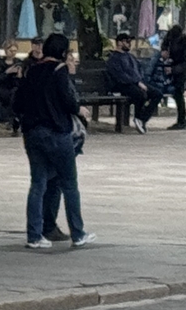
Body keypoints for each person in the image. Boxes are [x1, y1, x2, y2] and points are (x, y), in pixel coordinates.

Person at [15, 32, 91, 249]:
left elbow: (17, 102)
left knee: (37, 183)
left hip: (32, 132)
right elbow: (68, 100)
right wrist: (79, 109)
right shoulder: (59, 71)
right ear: (63, 52)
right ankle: (78, 233)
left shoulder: (31, 70)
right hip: (57, 132)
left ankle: (34, 236)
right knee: (69, 184)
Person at [103, 31, 158, 130]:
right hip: (123, 85)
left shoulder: (130, 56)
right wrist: (137, 82)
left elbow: (139, 69)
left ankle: (142, 118)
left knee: (157, 94)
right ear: (119, 43)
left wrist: (139, 80)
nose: (129, 44)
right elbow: (120, 76)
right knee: (141, 94)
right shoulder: (114, 59)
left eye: (129, 41)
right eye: (127, 41)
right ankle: (138, 117)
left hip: (137, 83)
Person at [161, 22, 186, 127]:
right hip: (172, 63)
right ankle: (182, 119)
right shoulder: (170, 35)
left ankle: (182, 120)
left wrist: (174, 70)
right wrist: (164, 50)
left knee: (178, 92)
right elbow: (165, 43)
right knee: (176, 93)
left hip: (181, 69)